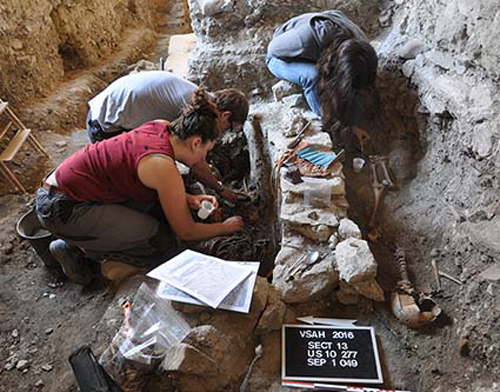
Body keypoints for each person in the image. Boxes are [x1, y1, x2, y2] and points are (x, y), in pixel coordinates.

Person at [36, 90, 244, 285]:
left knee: (157, 214)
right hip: (64, 209)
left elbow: (142, 178)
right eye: (206, 150)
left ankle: (83, 242)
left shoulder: (161, 126)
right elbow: (187, 231)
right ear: (196, 142)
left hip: (68, 190)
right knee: (159, 242)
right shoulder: (162, 165)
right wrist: (225, 228)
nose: (203, 158)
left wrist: (188, 198)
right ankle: (86, 261)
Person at [86, 71, 249, 201]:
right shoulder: (193, 110)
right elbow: (195, 162)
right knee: (141, 190)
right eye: (229, 127)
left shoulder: (200, 100)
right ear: (226, 116)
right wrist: (220, 189)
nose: (223, 132)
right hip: (104, 125)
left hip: (110, 109)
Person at [266, 10, 377, 147]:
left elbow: (352, 87)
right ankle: (330, 127)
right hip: (280, 56)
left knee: (347, 83)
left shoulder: (362, 49)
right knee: (312, 76)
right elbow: (272, 49)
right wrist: (338, 124)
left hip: (322, 51)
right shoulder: (303, 41)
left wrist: (353, 124)